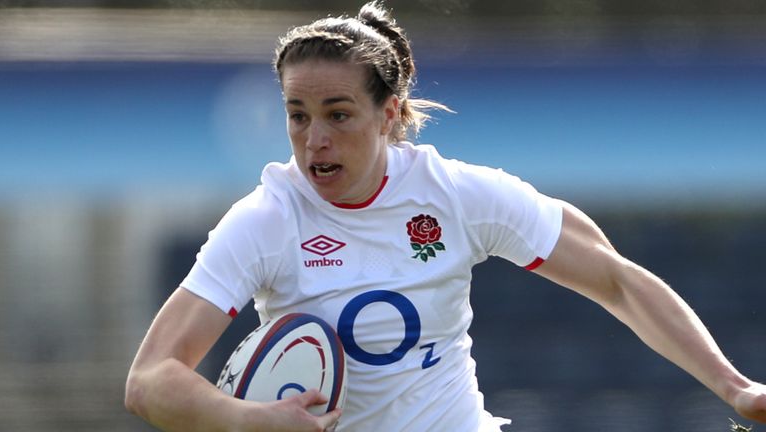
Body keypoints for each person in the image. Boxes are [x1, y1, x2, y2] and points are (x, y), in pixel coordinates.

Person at [125, 1, 766, 431]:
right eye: (298, 115)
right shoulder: (264, 221)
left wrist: (736, 389)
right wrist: (249, 420)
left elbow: (618, 281)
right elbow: (151, 378)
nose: (314, 138)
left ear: (391, 114)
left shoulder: (456, 195)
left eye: (338, 114)